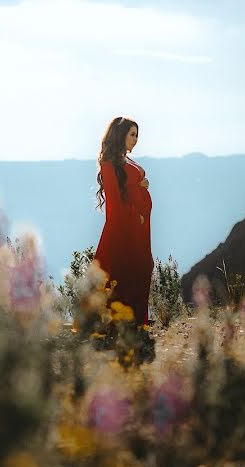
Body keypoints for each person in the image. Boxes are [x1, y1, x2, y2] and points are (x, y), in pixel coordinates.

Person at [93, 116, 154, 326]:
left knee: (142, 268)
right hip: (125, 227)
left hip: (139, 228)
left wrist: (140, 185)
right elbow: (113, 201)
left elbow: (131, 184)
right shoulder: (109, 163)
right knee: (121, 272)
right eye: (132, 135)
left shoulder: (127, 160)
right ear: (120, 135)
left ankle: (135, 322)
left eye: (137, 135)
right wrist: (134, 216)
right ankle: (115, 324)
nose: (136, 140)